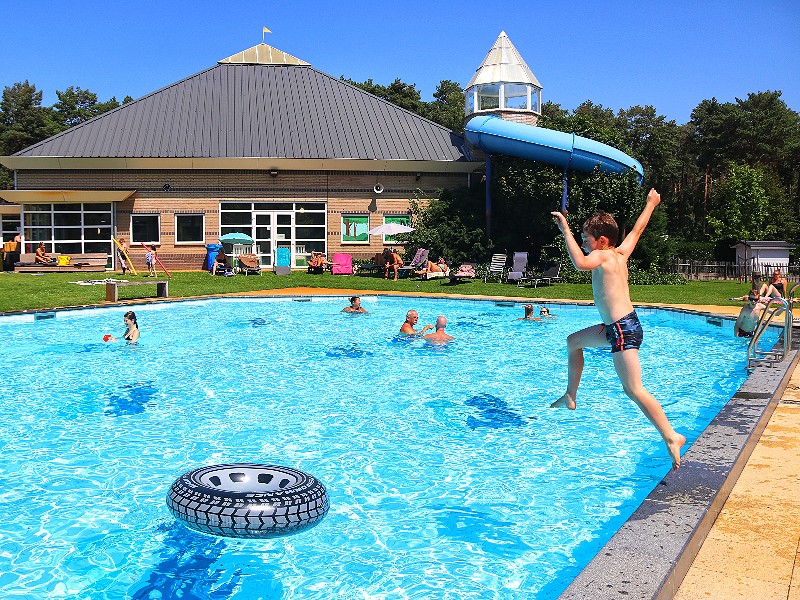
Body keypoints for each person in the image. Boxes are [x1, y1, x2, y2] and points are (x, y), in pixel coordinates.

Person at [549, 188, 686, 471]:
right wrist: (651, 204)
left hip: (622, 329)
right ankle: (570, 396)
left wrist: (566, 230)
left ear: (601, 241)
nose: (586, 245)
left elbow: (580, 263)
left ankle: (672, 436)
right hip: (618, 327)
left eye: (587, 240)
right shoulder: (619, 253)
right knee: (573, 341)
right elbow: (637, 230)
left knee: (633, 389)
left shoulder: (601, 256)